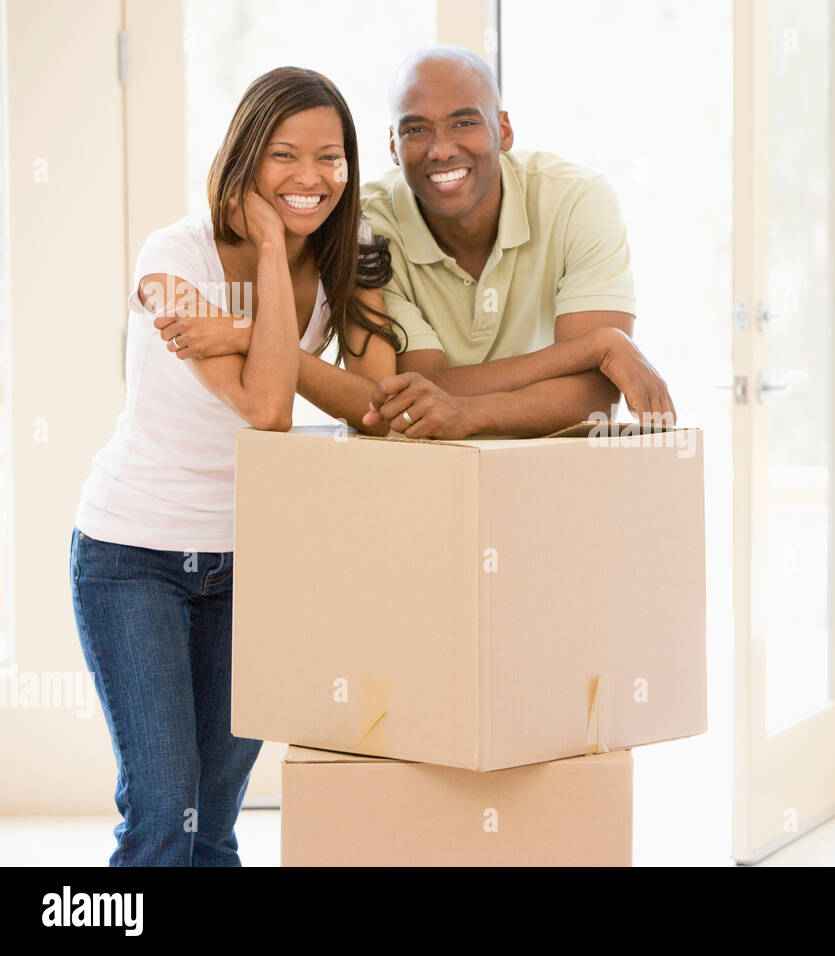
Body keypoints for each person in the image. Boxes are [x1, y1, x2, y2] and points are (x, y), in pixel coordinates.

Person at [69, 66, 400, 866]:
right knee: (163, 812)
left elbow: (380, 406)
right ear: (245, 159)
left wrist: (250, 333)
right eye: (285, 155)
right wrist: (263, 251)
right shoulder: (172, 257)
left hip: (251, 564)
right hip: (132, 557)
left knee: (213, 823)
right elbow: (268, 410)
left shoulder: (349, 256)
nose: (311, 177)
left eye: (332, 157)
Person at [359, 44, 676, 439]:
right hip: (428, 470)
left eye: (464, 123)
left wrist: (468, 412)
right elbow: (414, 386)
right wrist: (595, 346)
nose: (440, 150)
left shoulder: (578, 200)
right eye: (416, 130)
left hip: (549, 466)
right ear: (393, 145)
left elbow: (594, 395)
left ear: (503, 130)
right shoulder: (367, 227)